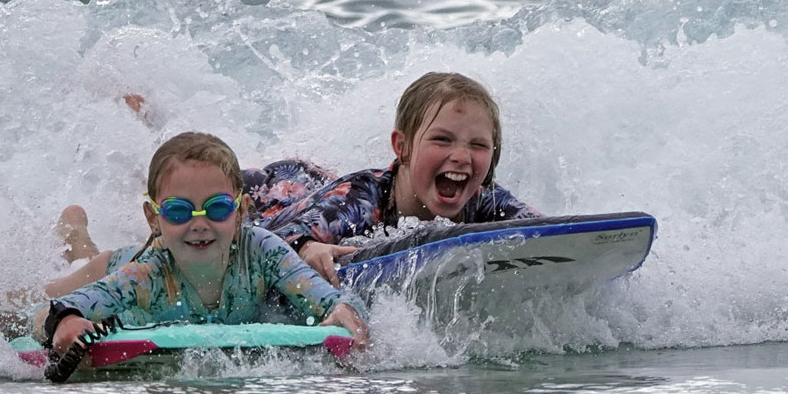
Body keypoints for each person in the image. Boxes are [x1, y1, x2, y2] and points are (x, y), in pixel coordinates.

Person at [48, 71, 540, 290]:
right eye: (443, 140)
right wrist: (306, 248)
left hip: (313, 186)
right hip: (272, 195)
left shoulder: (483, 198)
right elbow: (273, 240)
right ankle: (79, 237)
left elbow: (549, 231)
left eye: (478, 145)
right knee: (169, 224)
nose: (462, 157)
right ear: (402, 146)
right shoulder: (364, 200)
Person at [41, 132, 370, 355]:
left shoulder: (261, 250)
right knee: (37, 293)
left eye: (216, 208)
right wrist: (65, 322)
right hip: (114, 264)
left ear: (240, 210)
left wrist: (341, 310)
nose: (199, 224)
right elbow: (51, 312)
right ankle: (74, 233)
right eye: (179, 211)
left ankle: (78, 236)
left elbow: (325, 297)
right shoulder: (144, 274)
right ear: (153, 218)